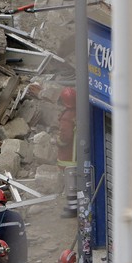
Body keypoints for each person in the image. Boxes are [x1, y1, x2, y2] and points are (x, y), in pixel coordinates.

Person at [56, 87, 78, 216]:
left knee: (70, 183)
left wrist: (58, 141)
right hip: (77, 153)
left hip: (68, 155)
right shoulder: (79, 112)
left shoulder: (66, 117)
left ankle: (72, 209)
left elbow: (65, 137)